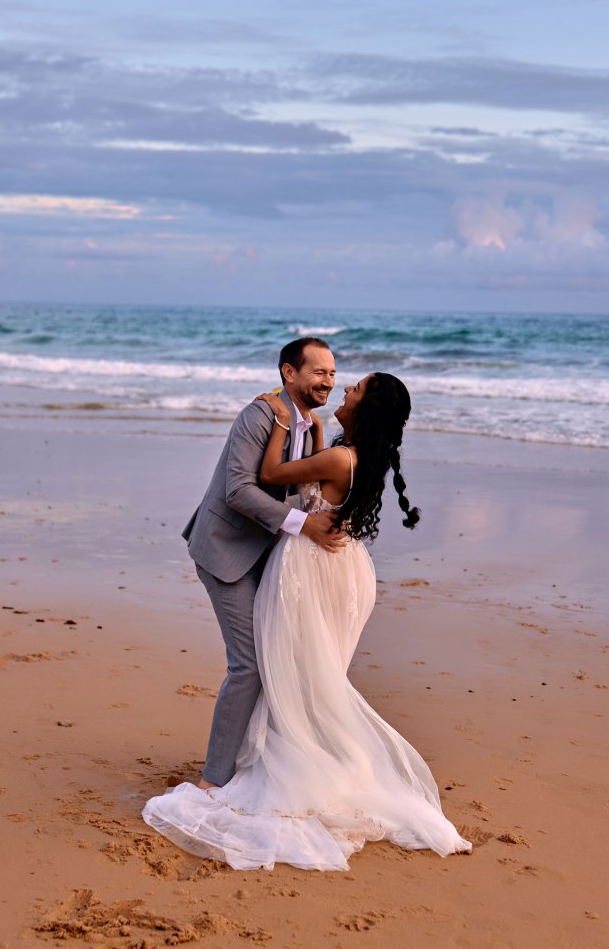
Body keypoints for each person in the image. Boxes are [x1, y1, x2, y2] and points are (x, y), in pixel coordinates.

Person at [143, 371, 471, 869]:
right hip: (343, 568)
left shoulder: (341, 456)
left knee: (293, 670)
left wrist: (279, 419)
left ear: (367, 409)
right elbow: (311, 474)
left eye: (354, 389)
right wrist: (313, 429)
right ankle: (324, 760)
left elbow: (274, 475)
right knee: (311, 674)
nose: (343, 390)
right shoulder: (353, 454)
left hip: (312, 568)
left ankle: (285, 764)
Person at [179, 337, 344, 791]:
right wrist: (303, 526)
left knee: (277, 660)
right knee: (249, 664)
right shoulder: (258, 415)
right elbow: (239, 490)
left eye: (332, 373)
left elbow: (299, 484)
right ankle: (215, 779)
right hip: (226, 549)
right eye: (318, 371)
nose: (328, 381)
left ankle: (255, 763)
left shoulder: (313, 427)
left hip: (270, 554)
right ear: (290, 373)